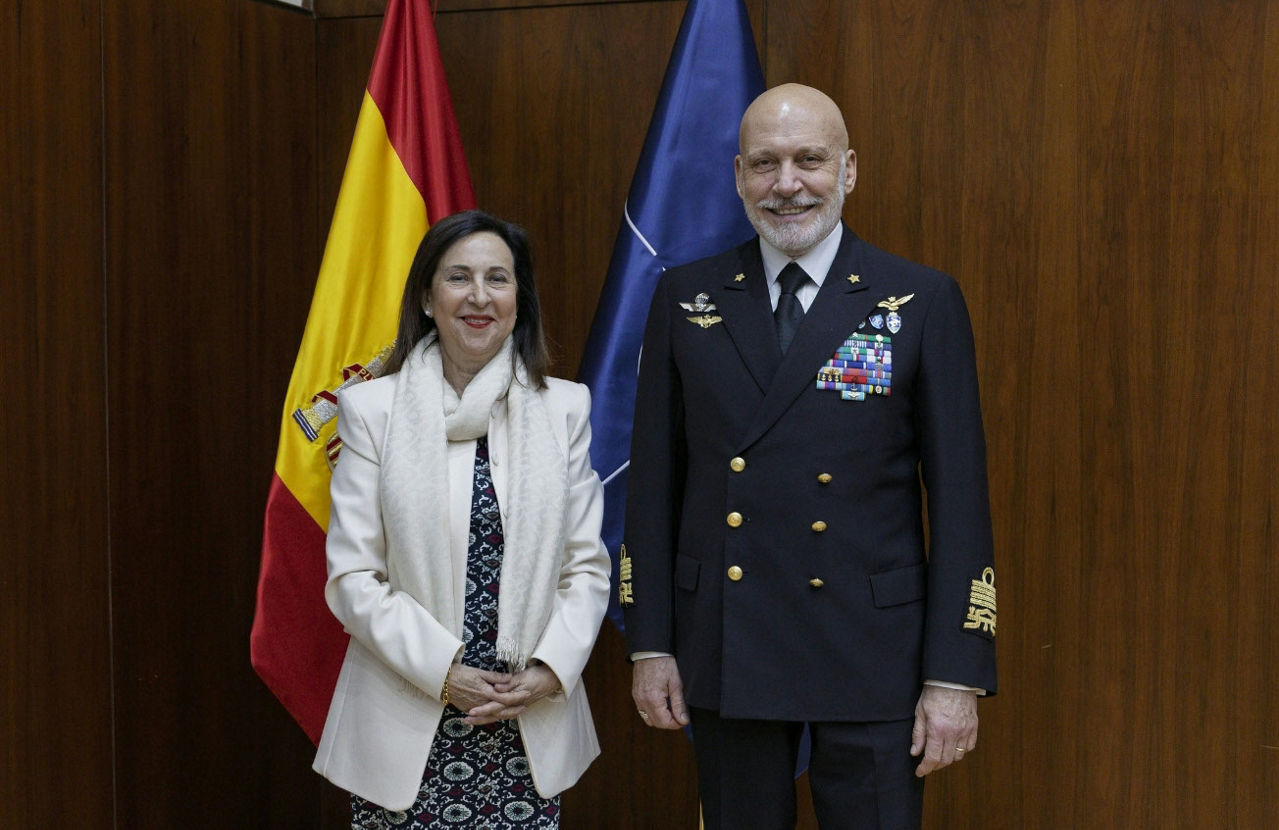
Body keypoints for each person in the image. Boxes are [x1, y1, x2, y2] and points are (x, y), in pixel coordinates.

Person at [624, 84, 997, 829]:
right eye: (765, 163)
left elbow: (961, 501)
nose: (787, 184)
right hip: (729, 639)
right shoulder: (688, 299)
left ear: (849, 169)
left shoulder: (918, 301)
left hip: (874, 651)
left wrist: (956, 672)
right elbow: (655, 485)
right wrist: (650, 644)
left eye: (810, 160)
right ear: (739, 176)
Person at [312, 210, 611, 828]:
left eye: (497, 278)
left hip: (525, 719)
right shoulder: (370, 410)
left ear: (518, 300)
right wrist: (444, 673)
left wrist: (549, 670)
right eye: (458, 277)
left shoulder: (564, 409)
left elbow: (585, 566)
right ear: (427, 298)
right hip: (404, 719)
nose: (479, 296)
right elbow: (353, 578)